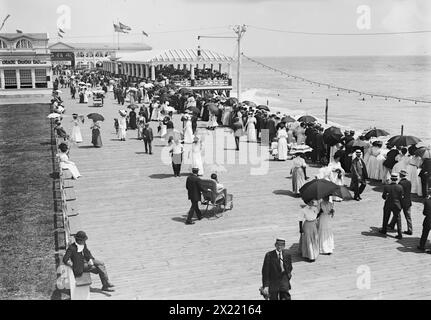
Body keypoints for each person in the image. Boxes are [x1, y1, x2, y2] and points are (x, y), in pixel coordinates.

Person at [379, 173, 404, 239]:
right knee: (398, 219)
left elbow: (384, 197)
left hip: (388, 204)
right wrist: (401, 205)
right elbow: (401, 198)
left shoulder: (387, 187)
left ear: (391, 178)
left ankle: (384, 230)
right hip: (396, 204)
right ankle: (400, 233)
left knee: (386, 217)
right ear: (397, 179)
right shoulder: (400, 187)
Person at [388, 169, 412, 235]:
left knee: (397, 214)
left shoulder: (400, 183)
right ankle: (410, 229)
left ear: (401, 175)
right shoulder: (409, 182)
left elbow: (400, 193)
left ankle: (392, 224)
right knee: (408, 216)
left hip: (401, 201)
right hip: (408, 201)